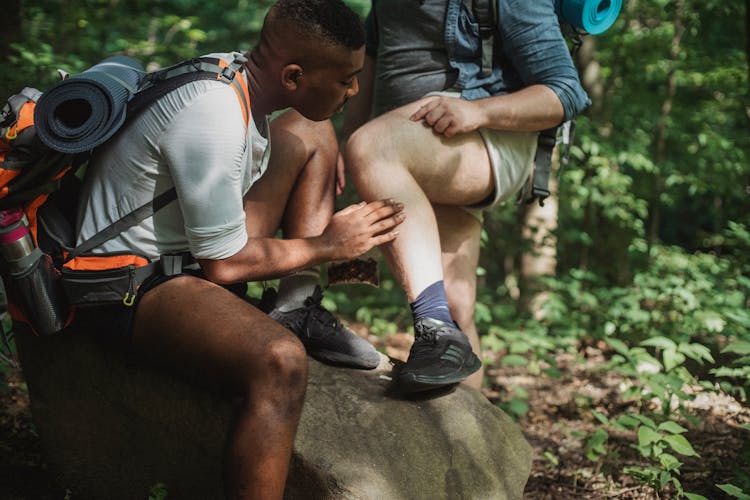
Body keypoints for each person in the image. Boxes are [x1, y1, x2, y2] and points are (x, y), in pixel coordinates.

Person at [72, 1, 404, 498]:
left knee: (313, 129)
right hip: (126, 280)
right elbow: (224, 265)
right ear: (293, 76)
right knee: (281, 361)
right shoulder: (215, 116)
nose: (355, 90)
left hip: (181, 255)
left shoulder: (237, 78)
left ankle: (298, 305)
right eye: (346, 79)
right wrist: (327, 245)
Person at [340, 0, 590, 394]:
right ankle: (477, 446)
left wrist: (479, 112)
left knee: (372, 147)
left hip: (482, 139)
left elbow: (565, 93)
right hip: (413, 145)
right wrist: (345, 148)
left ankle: (434, 329)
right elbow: (370, 65)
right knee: (457, 306)